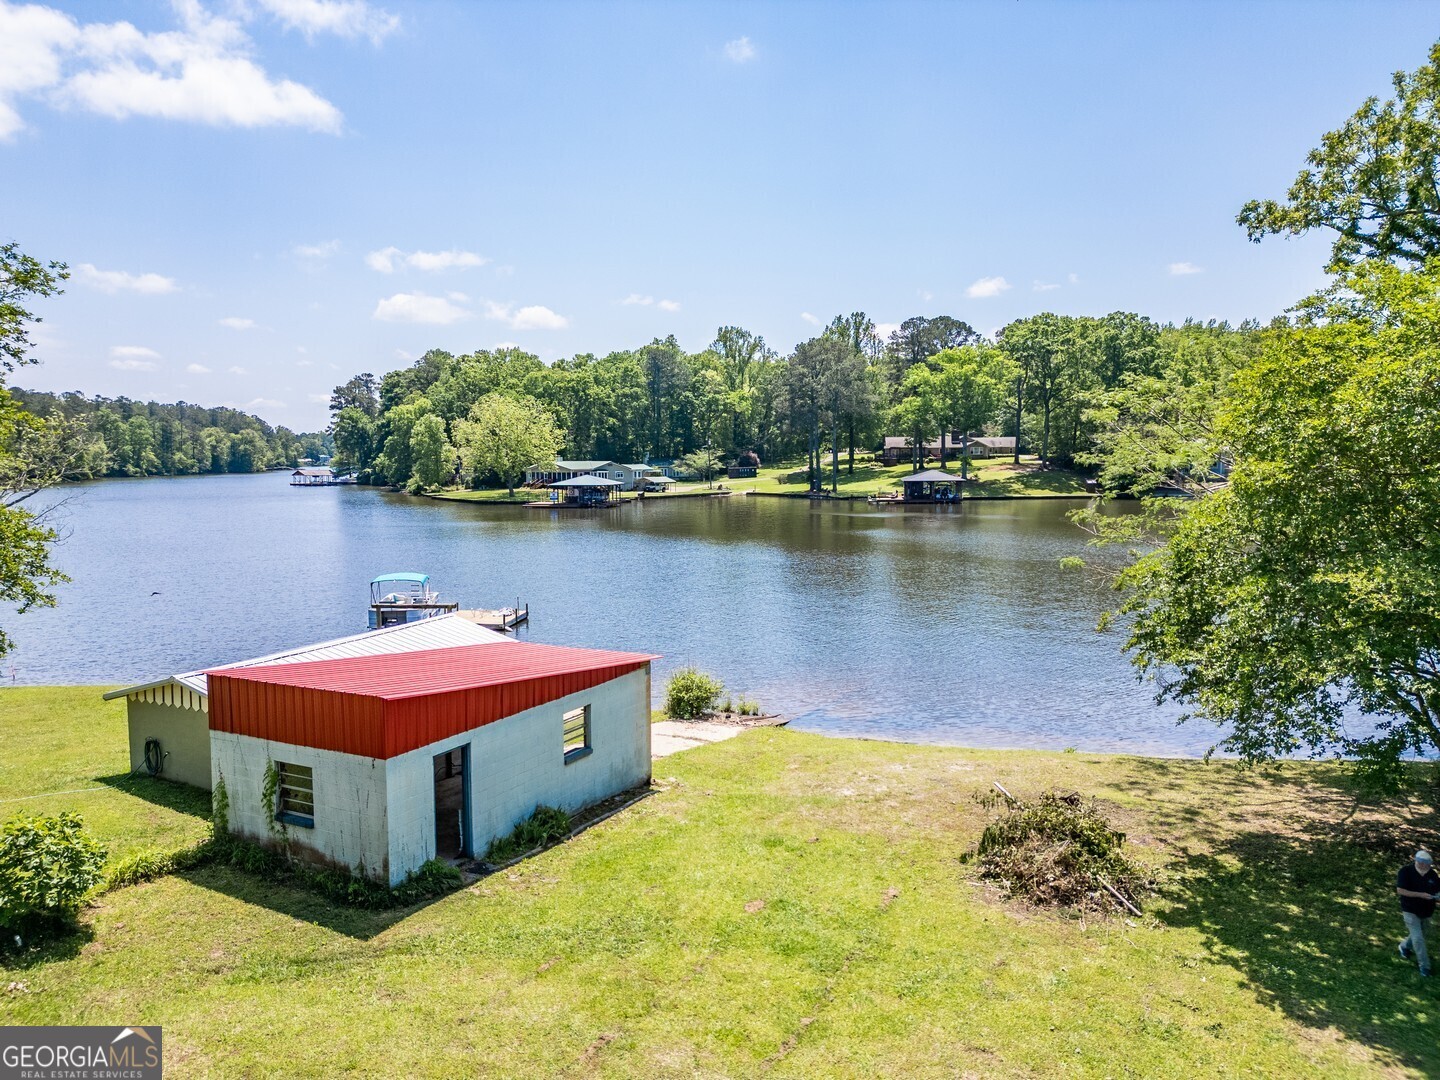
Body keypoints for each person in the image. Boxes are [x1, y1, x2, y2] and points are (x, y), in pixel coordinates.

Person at [1397, 849, 1439, 976]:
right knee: (1418, 938)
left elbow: (1437, 892)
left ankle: (1404, 946)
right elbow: (1401, 890)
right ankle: (1425, 967)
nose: (1422, 865)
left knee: (1421, 934)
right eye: (1420, 861)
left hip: (1426, 911)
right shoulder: (1406, 871)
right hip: (1409, 909)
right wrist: (1420, 895)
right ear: (1415, 860)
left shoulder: (1433, 875)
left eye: (1425, 863)